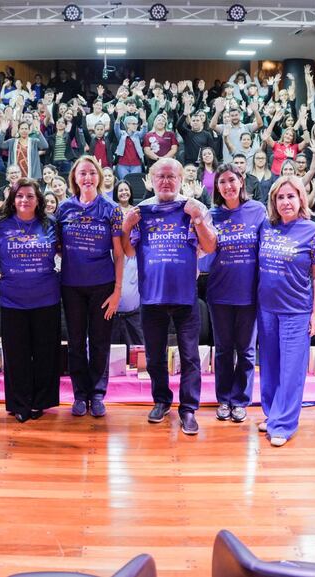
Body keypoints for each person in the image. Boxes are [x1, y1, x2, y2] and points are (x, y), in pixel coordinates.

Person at [121, 158, 217, 435]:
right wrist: (126, 226)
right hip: (151, 297)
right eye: (160, 176)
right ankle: (162, 401)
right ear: (151, 179)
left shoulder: (193, 208)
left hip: (185, 297)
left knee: (189, 358)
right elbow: (128, 252)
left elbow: (210, 246)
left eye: (171, 177)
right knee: (153, 357)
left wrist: (197, 218)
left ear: (181, 180)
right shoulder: (142, 211)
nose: (165, 181)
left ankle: (188, 409)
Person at [257, 176, 315, 447]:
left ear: (301, 199)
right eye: (280, 197)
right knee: (270, 368)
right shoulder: (267, 227)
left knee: (290, 371)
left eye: (291, 196)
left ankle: (284, 424)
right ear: (274, 202)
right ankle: (272, 413)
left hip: (296, 312)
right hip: (266, 310)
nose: (286, 202)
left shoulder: (312, 231)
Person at [0, 178, 60, 422]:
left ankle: (40, 401)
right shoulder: (1, 226)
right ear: (12, 199)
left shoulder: (50, 223)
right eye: (19, 196)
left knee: (44, 354)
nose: (24, 200)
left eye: (30, 196)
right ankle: (19, 404)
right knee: (16, 355)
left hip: (47, 298)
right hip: (13, 300)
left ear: (38, 200)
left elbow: (64, 252)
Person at [57, 156, 124, 417]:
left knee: (99, 341)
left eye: (91, 173)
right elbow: (59, 247)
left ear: (99, 177)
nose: (87, 178)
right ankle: (79, 394)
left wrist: (118, 290)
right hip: (71, 286)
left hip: (103, 286)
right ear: (74, 177)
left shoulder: (111, 209)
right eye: (82, 173)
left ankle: (97, 393)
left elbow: (119, 254)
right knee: (75, 342)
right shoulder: (64, 209)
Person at [208, 164, 266, 424]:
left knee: (245, 351)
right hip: (219, 292)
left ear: (241, 181)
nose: (228, 186)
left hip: (249, 294)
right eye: (222, 182)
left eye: (232, 180)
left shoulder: (258, 211)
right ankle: (223, 399)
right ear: (216, 187)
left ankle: (240, 400)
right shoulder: (210, 215)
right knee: (222, 350)